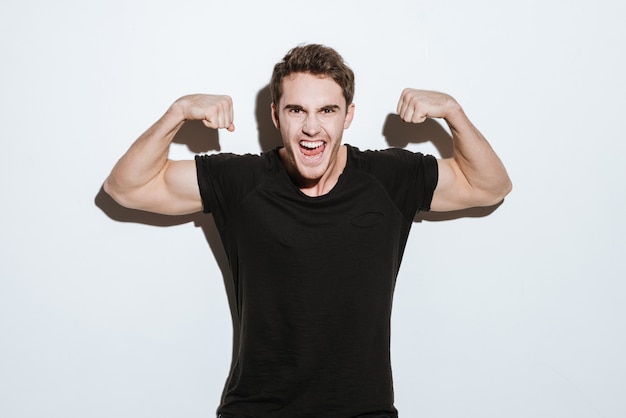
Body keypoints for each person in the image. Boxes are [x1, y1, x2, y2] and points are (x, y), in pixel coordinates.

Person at [104, 43, 512, 418]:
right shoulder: (242, 180)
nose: (312, 128)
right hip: (258, 410)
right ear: (275, 115)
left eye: (327, 111)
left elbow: (490, 186)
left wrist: (453, 112)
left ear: (348, 115)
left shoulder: (388, 178)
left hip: (363, 411)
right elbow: (127, 187)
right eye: (297, 110)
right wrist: (178, 111)